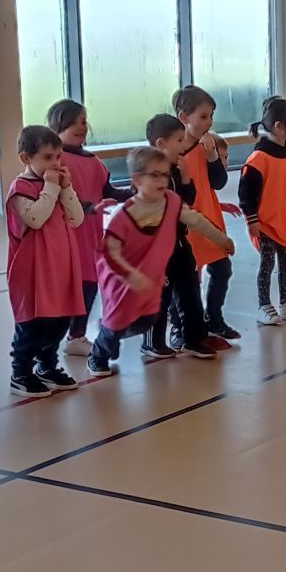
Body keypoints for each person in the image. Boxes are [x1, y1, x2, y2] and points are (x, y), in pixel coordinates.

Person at [87, 147, 232, 378]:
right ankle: (99, 352)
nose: (162, 180)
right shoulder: (124, 216)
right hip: (122, 280)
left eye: (165, 174)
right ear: (137, 180)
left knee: (146, 320)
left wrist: (221, 238)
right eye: (155, 175)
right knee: (118, 322)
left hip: (149, 280)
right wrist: (130, 275)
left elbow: (195, 220)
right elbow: (109, 253)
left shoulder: (172, 202)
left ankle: (111, 333)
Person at [5, 126, 86, 396]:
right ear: (25, 158)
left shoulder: (57, 185)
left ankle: (47, 366)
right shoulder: (21, 188)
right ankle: (21, 372)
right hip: (33, 268)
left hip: (60, 264)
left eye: (58, 157)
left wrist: (66, 188)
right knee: (33, 322)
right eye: (47, 157)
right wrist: (51, 187)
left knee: (59, 318)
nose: (55, 164)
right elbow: (36, 219)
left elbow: (77, 218)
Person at [48, 99, 127, 359]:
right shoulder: (56, 161)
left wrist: (135, 192)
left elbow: (108, 191)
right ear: (57, 126)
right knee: (68, 287)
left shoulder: (93, 161)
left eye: (83, 122)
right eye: (73, 123)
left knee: (89, 284)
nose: (81, 127)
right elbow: (60, 197)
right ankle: (52, 341)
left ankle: (77, 336)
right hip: (67, 233)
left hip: (91, 234)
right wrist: (89, 207)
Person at [144, 113, 222, 359]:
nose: (182, 146)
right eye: (178, 141)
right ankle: (153, 342)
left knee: (190, 291)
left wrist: (186, 177)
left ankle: (193, 338)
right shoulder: (148, 174)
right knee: (161, 295)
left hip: (179, 241)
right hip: (158, 246)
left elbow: (187, 200)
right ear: (161, 144)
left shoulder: (176, 169)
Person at [172, 86, 238, 343]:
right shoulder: (174, 153)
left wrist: (212, 157)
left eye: (211, 116)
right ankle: (180, 327)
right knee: (186, 280)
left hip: (209, 220)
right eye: (203, 116)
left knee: (222, 269)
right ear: (183, 118)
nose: (209, 122)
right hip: (185, 224)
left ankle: (214, 319)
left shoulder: (206, 147)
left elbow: (219, 182)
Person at [239, 97, 286, 325]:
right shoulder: (259, 158)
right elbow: (246, 193)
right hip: (266, 223)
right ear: (279, 126)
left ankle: (285, 303)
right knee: (267, 265)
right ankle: (264, 305)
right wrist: (252, 220)